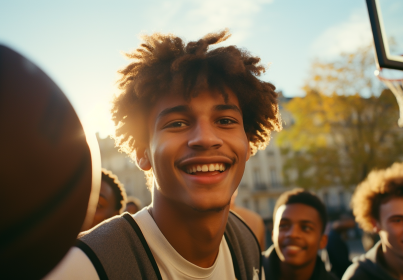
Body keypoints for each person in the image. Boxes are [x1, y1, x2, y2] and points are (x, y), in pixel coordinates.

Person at [45, 29, 282, 280]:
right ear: (141, 151)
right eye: (177, 123)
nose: (205, 138)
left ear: (248, 143)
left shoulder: (246, 244)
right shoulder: (85, 268)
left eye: (225, 120)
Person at [263, 188, 338, 280]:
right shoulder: (246, 272)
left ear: (323, 241)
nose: (292, 234)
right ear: (273, 234)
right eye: (283, 226)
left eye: (306, 228)